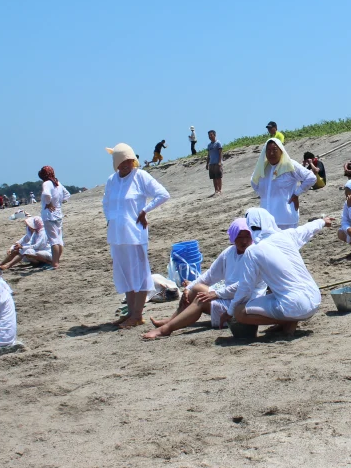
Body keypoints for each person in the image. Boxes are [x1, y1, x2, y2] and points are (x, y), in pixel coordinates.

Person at [142, 218, 267, 339]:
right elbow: (209, 276)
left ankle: (166, 329)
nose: (244, 241)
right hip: (230, 296)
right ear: (233, 237)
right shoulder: (229, 252)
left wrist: (216, 294)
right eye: (240, 237)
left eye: (247, 236)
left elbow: (244, 286)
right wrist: (188, 288)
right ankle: (172, 320)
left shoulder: (254, 254)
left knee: (201, 299)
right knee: (195, 289)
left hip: (245, 302)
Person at [229, 208, 331, 336]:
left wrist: (230, 311)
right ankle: (287, 319)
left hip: (295, 306)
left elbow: (245, 288)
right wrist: (322, 221)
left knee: (240, 312)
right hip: (315, 299)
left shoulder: (253, 250)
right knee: (274, 289)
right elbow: (307, 228)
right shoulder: (286, 235)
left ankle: (287, 322)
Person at [102, 143, 171, 328]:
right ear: (115, 164)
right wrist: (110, 220)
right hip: (117, 235)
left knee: (139, 274)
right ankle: (131, 313)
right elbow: (106, 203)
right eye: (121, 162)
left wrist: (144, 211)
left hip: (135, 234)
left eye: (129, 161)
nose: (126, 165)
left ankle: (138, 314)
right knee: (125, 274)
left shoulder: (140, 176)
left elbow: (163, 194)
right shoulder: (112, 180)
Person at [251, 138, 317, 230]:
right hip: (266, 220)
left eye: (274, 150)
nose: (271, 153)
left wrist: (296, 194)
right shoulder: (264, 167)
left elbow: (311, 178)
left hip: (286, 219)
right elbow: (254, 182)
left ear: (281, 151)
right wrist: (266, 196)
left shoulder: (289, 165)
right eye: (268, 150)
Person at [39, 165, 70, 269]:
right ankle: (56, 260)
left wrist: (48, 203)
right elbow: (67, 195)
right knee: (59, 239)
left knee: (53, 240)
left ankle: (55, 263)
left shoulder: (47, 183)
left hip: (49, 215)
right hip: (58, 213)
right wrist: (58, 203)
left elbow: (46, 194)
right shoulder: (57, 183)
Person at [206, 130, 223, 196]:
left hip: (217, 162)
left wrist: (219, 162)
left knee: (218, 177)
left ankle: (220, 190)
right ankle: (216, 190)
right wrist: (207, 163)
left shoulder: (218, 143)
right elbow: (208, 155)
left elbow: (220, 153)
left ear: (214, 135)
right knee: (213, 177)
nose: (210, 136)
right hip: (211, 163)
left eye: (211, 135)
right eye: (209, 135)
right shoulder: (209, 145)